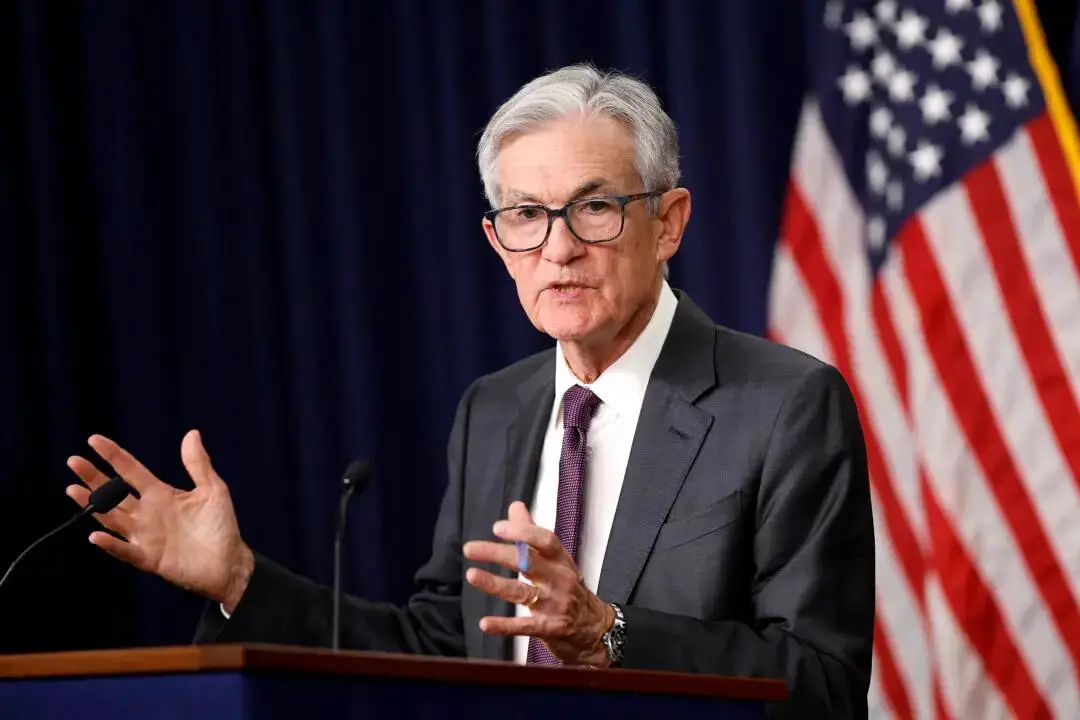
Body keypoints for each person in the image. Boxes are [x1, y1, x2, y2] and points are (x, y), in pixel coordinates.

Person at [65, 64, 874, 716]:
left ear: (668, 222)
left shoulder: (783, 404)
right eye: (526, 214)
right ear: (497, 239)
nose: (558, 249)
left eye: (594, 207)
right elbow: (440, 651)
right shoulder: (496, 409)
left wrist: (610, 634)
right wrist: (241, 580)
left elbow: (823, 685)